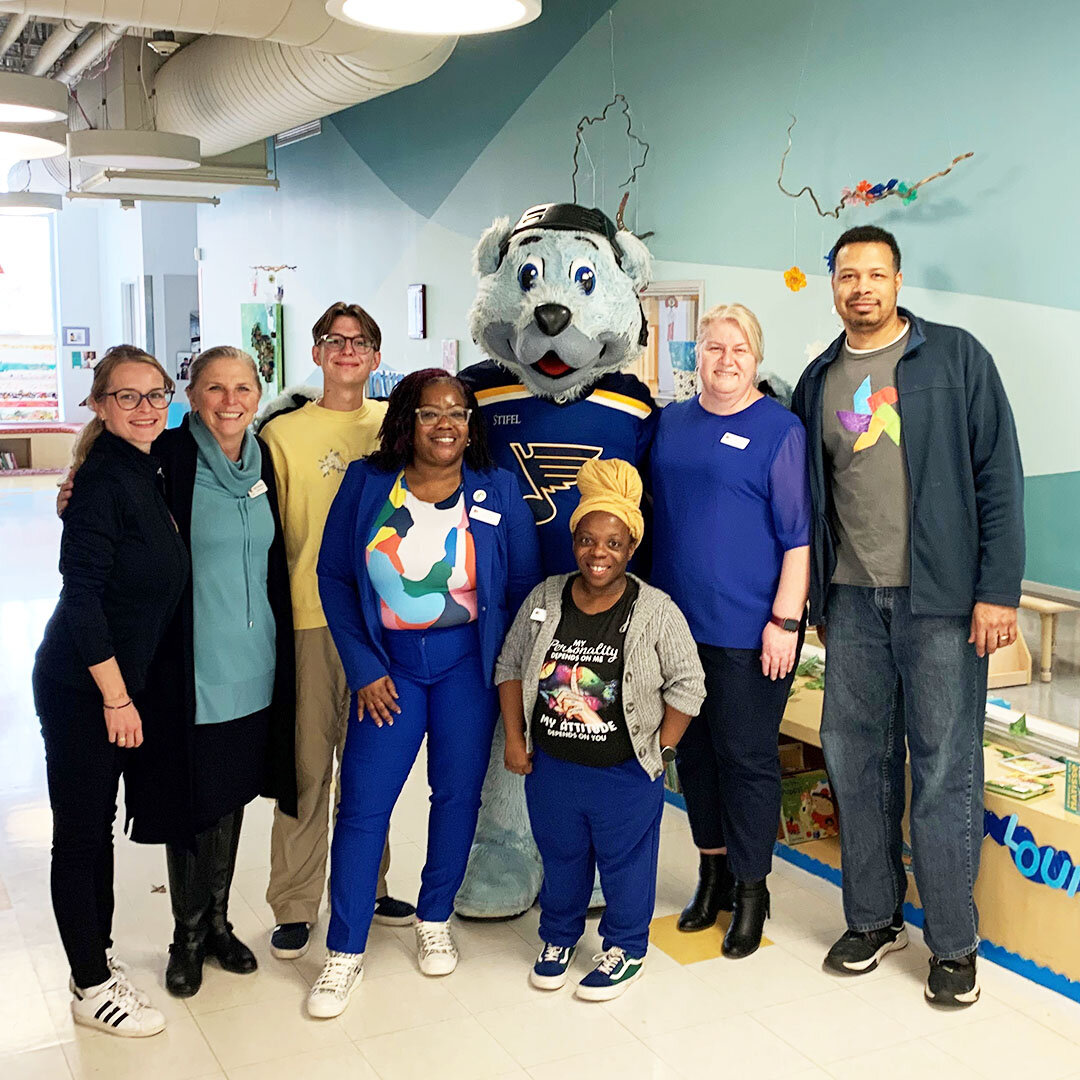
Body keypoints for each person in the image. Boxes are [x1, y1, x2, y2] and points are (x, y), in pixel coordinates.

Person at [791, 225, 1024, 1007]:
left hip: (943, 606)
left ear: (898, 281)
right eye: (847, 275)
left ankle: (953, 943)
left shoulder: (956, 360)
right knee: (855, 763)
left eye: (875, 274)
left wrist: (998, 591)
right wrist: (816, 599)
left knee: (942, 770)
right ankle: (873, 918)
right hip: (852, 604)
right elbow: (813, 503)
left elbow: (998, 480)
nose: (862, 288)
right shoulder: (818, 379)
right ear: (832, 285)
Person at [308, 368, 541, 1018]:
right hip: (389, 671)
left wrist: (510, 675)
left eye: (459, 413)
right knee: (362, 806)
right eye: (431, 413)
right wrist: (361, 666)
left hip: (468, 668)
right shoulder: (366, 482)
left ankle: (434, 914)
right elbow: (332, 576)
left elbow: (521, 584)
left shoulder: (495, 488)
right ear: (406, 419)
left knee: (458, 795)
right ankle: (345, 951)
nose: (447, 425)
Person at [497, 458, 704, 1000]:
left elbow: (689, 685)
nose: (598, 554)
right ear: (574, 541)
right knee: (561, 857)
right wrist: (516, 739)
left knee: (626, 864)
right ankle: (559, 937)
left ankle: (626, 947)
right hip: (553, 770)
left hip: (623, 773)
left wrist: (660, 749)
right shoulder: (545, 598)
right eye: (588, 540)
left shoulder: (656, 610)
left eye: (613, 543)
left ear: (631, 548)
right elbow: (511, 666)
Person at [128, 346, 298, 997]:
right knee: (191, 806)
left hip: (257, 667)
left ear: (258, 394)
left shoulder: (264, 463)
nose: (231, 402)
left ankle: (221, 925)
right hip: (193, 668)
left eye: (242, 388)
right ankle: (188, 936)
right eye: (215, 389)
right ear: (193, 395)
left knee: (229, 801)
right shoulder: (168, 459)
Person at [33, 346, 188, 1037]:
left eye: (156, 394)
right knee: (82, 836)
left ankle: (92, 962)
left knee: (96, 831)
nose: (146, 408)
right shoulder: (103, 480)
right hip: (81, 685)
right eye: (127, 397)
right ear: (99, 404)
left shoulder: (145, 464)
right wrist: (116, 699)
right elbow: (84, 598)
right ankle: (90, 986)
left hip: (114, 681)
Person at [651, 304, 811, 958]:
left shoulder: (780, 430)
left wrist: (785, 622)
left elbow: (798, 539)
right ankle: (712, 873)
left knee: (745, 759)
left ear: (755, 357)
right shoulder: (671, 424)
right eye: (713, 347)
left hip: (752, 632)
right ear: (697, 357)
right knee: (694, 756)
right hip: (676, 629)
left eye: (738, 348)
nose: (725, 359)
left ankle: (751, 890)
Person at [257, 303, 415, 960]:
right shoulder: (282, 434)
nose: (347, 350)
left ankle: (367, 885)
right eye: (333, 341)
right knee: (306, 767)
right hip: (308, 621)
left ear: (377, 357)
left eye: (360, 342)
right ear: (318, 355)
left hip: (386, 624)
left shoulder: (395, 428)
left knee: (368, 769)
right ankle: (294, 902)